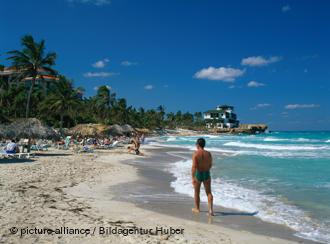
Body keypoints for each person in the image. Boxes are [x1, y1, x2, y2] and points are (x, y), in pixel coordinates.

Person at [191, 138, 214, 216]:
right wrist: (207, 169)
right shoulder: (208, 153)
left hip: (199, 173)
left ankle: (197, 208)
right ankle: (210, 210)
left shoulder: (196, 154)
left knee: (197, 192)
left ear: (197, 144)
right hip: (206, 173)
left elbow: (194, 167)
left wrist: (193, 178)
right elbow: (210, 164)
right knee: (209, 192)